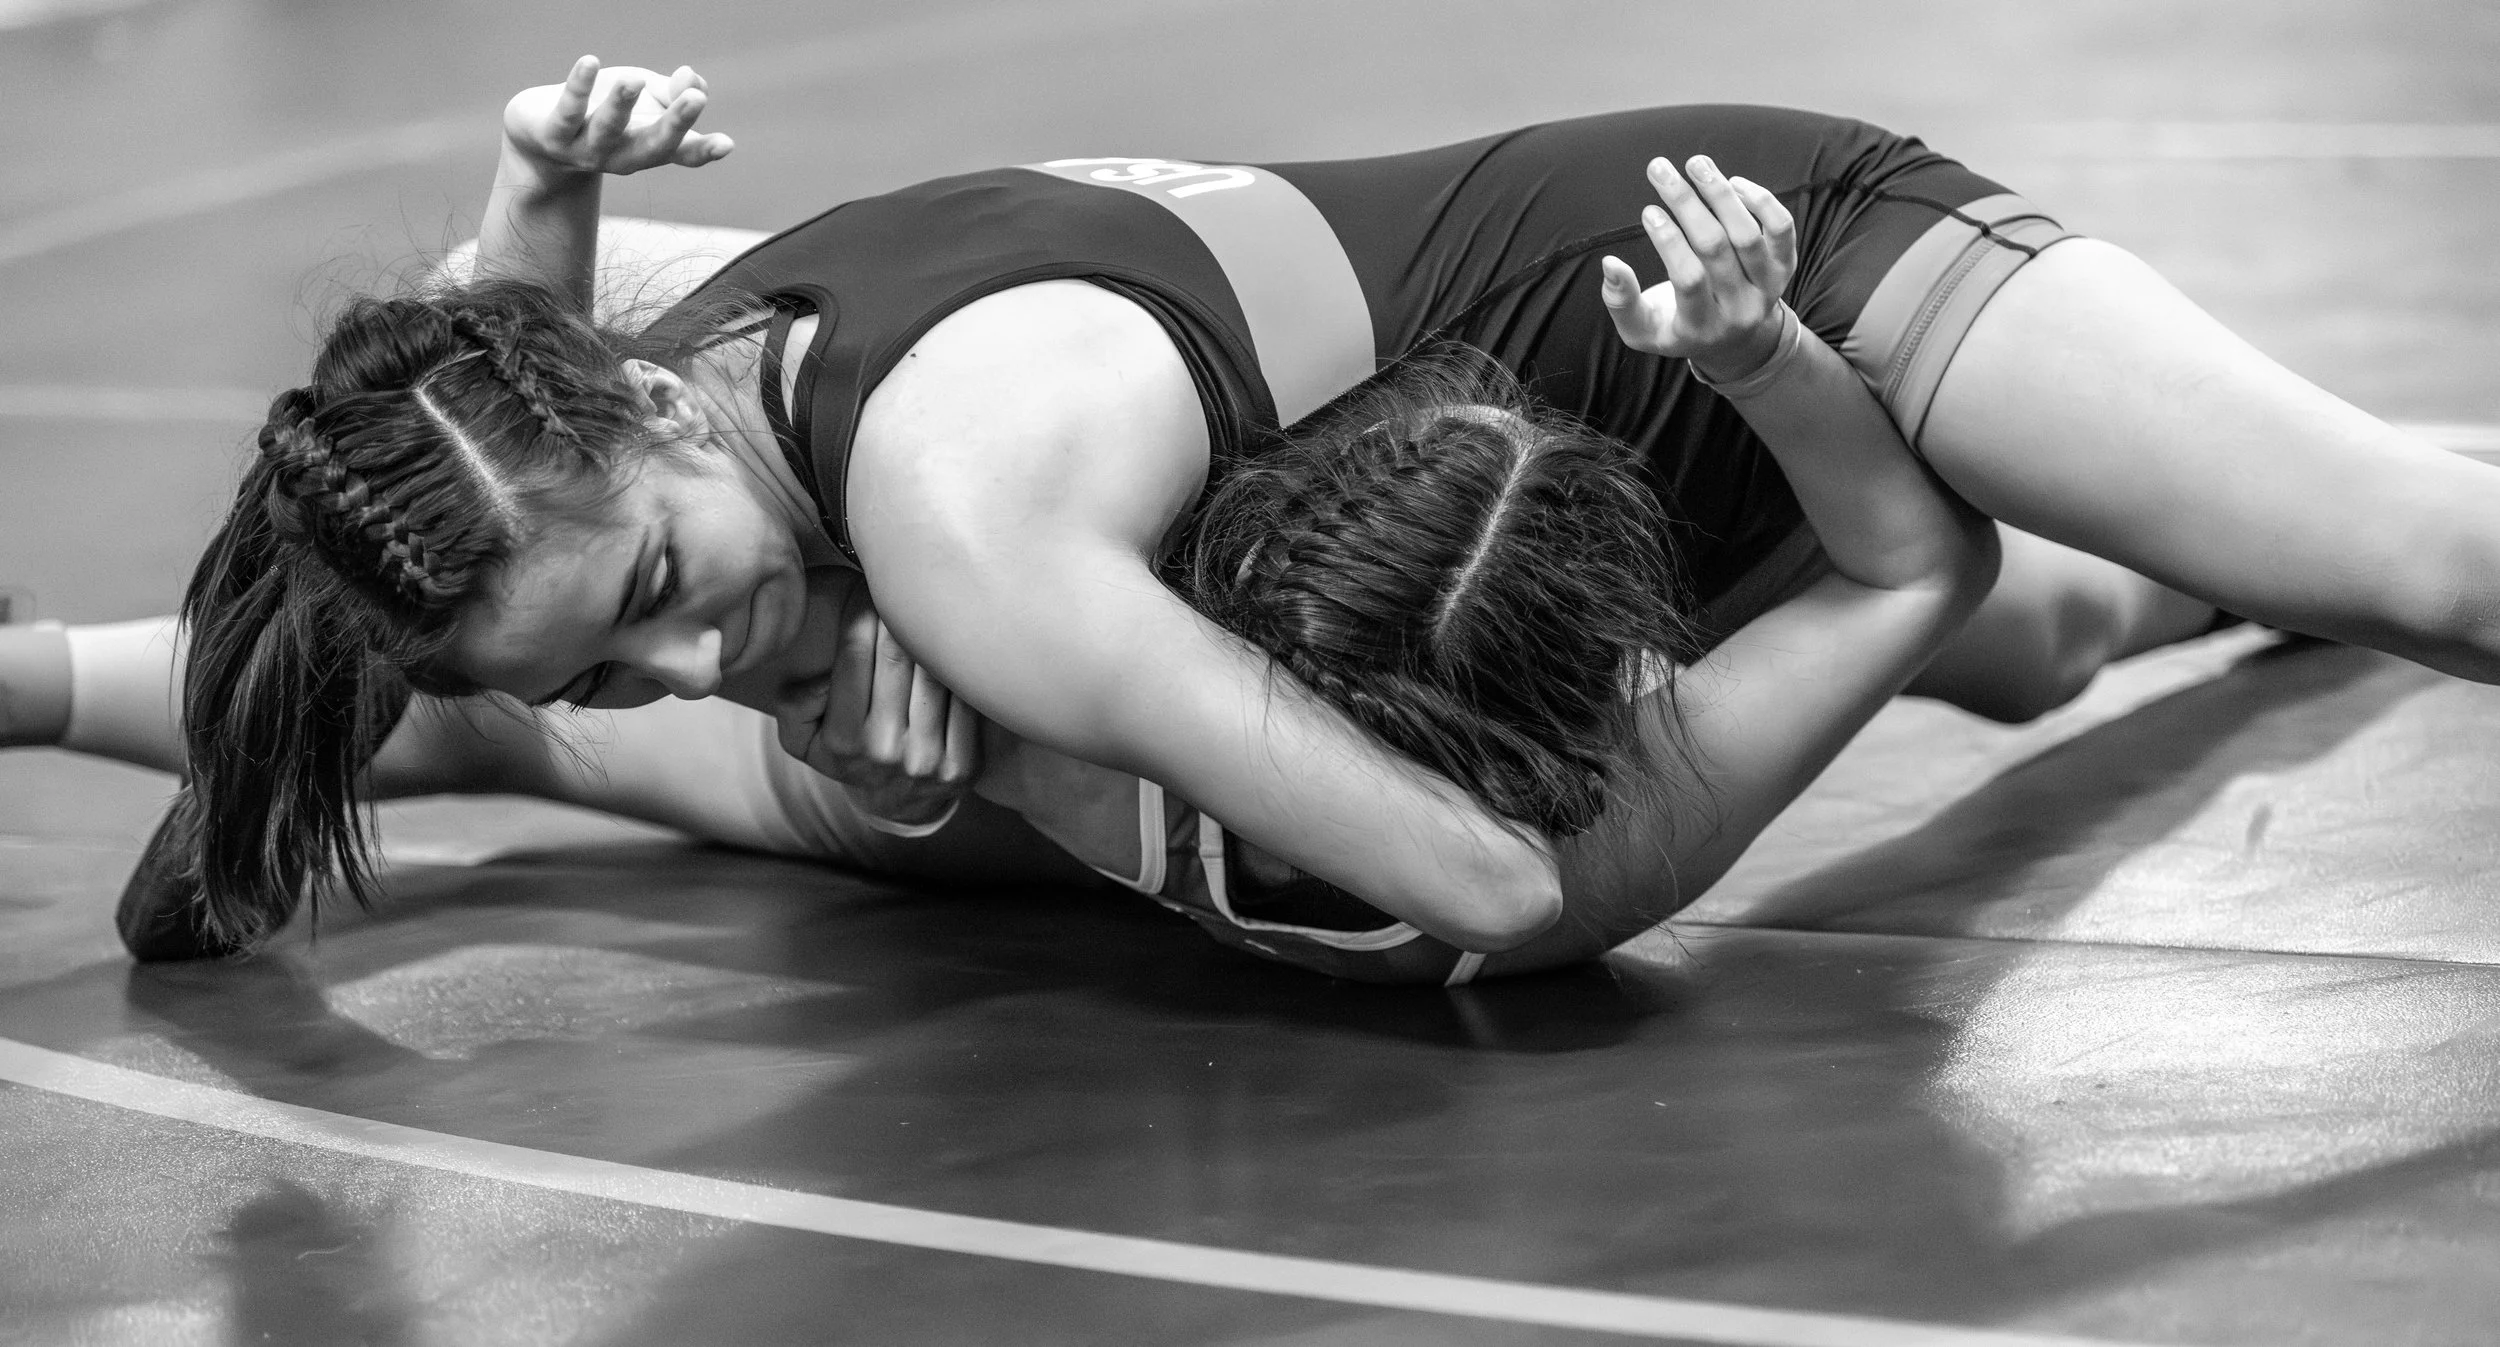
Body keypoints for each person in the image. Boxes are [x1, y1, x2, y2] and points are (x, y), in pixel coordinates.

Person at [10, 57, 2493, 981]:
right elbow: (494, 390)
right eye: (600, 652)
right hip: (1492, 552)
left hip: (1697, 277)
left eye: (656, 599)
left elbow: (1512, 895)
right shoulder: (653, 357)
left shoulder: (965, 534)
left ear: (655, 425)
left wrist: (991, 773)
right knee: (2043, 636)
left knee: (2403, 560)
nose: (665, 662)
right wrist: (529, 184)